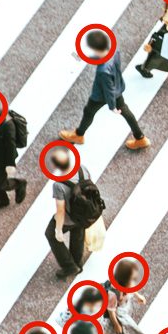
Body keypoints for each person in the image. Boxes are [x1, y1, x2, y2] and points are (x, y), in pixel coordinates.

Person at [61, 30, 150, 151]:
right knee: (125, 110)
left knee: (89, 111)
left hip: (101, 95)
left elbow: (108, 90)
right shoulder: (113, 49)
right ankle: (140, 138)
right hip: (118, 85)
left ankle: (78, 135)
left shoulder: (103, 71)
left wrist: (112, 106)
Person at [42, 145, 92, 279]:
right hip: (84, 213)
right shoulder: (82, 169)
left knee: (50, 233)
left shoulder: (58, 185)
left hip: (70, 216)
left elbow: (60, 210)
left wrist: (58, 230)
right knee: (78, 233)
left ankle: (69, 266)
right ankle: (78, 263)